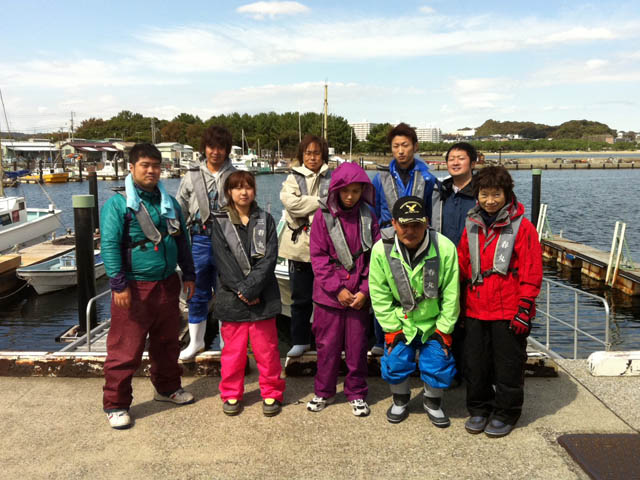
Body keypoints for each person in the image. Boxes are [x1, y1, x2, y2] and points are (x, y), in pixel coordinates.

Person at [100, 143, 196, 430]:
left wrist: (189, 274)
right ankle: (116, 404)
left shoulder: (170, 203)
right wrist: (118, 284)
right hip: (134, 286)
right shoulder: (118, 204)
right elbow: (109, 245)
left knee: (167, 343)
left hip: (167, 282)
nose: (152, 171)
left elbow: (182, 240)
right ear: (131, 167)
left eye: (156, 166)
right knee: (125, 349)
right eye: (145, 165)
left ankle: (167, 388)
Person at [457, 166, 542, 438]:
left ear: (507, 194)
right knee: (476, 365)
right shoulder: (471, 225)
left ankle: (507, 412)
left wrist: (524, 309)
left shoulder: (523, 227)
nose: (490, 200)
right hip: (475, 307)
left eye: (496, 194)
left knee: (508, 366)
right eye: (484, 194)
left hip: (508, 309)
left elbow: (531, 271)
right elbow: (462, 263)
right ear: (477, 195)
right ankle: (479, 408)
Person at [369, 196, 460, 427]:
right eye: (404, 225)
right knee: (395, 361)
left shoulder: (445, 247)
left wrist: (444, 329)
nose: (410, 231)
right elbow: (379, 294)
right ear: (394, 223)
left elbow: (452, 294)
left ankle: (433, 402)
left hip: (433, 321)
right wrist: (392, 328)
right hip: (401, 320)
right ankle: (400, 399)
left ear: (426, 222)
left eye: (417, 224)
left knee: (438, 362)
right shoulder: (381, 250)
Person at [307, 162, 381, 416]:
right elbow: (318, 257)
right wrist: (337, 289)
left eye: (356, 191)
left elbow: (376, 257)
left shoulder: (368, 216)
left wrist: (365, 291)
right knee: (326, 347)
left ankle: (357, 392)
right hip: (329, 297)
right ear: (336, 190)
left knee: (357, 348)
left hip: (359, 295)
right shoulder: (322, 216)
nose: (350, 196)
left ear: (363, 191)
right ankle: (323, 391)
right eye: (345, 191)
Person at [210, 171, 285, 417]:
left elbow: (270, 258)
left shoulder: (266, 219)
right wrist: (243, 290)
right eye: (237, 187)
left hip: (263, 296)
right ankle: (231, 392)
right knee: (233, 352)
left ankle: (272, 391)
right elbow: (223, 261)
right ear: (228, 192)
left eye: (248, 187)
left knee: (267, 350)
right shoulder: (219, 221)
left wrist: (252, 288)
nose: (243, 192)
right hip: (232, 297)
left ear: (254, 190)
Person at [369, 123, 437, 356]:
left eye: (405, 145)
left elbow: (431, 212)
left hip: (418, 239)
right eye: (396, 146)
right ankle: (382, 339)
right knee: (387, 289)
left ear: (415, 147)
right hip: (388, 239)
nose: (401, 150)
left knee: (419, 288)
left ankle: (419, 338)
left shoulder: (427, 178)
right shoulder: (380, 178)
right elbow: (374, 211)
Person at [176, 126, 236, 360]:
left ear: (227, 150)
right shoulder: (191, 175)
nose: (216, 152)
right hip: (198, 239)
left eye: (221, 147)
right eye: (212, 147)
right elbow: (180, 208)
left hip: (227, 241)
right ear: (205, 148)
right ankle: (196, 342)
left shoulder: (235, 175)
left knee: (226, 293)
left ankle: (228, 344)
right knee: (196, 290)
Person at [279, 134, 332, 357]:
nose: (312, 157)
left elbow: (338, 202)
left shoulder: (332, 177)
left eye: (316, 153)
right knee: (300, 299)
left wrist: (306, 203)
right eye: (308, 153)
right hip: (299, 248)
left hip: (327, 248)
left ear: (323, 155)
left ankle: (327, 341)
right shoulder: (293, 177)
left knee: (328, 300)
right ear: (302, 155)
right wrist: (321, 202)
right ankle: (300, 340)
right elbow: (291, 204)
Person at [430, 141, 478, 382]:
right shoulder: (440, 192)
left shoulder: (482, 193)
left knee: (469, 321)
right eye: (451, 159)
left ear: (473, 162)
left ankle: (471, 373)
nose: (455, 162)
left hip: (473, 267)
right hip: (442, 265)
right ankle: (448, 372)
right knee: (445, 318)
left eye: (461, 158)